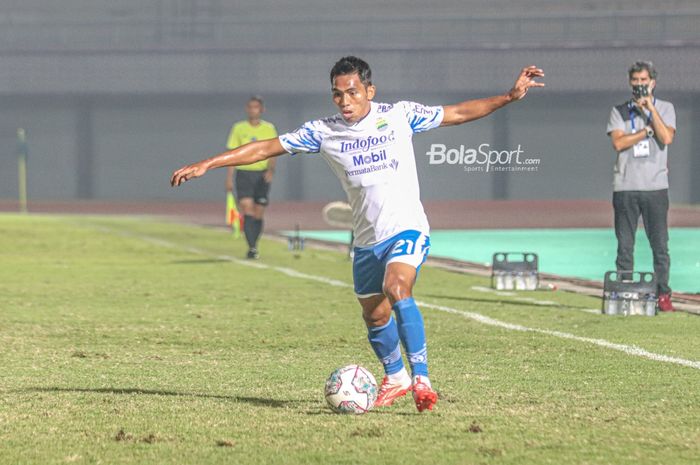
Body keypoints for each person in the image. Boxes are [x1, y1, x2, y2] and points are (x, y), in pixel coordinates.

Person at [171, 56, 544, 411]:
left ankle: (422, 381)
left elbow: (459, 113)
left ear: (370, 90)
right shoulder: (323, 132)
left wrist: (509, 97)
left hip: (407, 228)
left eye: (352, 92)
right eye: (337, 93)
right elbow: (265, 147)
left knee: (398, 288)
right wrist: (209, 163)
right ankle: (395, 377)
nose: (344, 101)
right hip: (366, 241)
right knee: (374, 315)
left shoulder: (400, 116)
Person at [606, 61, 676, 312]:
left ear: (652, 82)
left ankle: (663, 294)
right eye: (635, 80)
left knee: (659, 244)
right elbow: (618, 143)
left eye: (643, 80)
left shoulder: (665, 108)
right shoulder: (620, 111)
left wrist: (650, 111)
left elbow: (666, 137)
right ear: (630, 83)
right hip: (625, 186)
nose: (639, 85)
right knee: (625, 244)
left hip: (655, 187)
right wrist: (646, 132)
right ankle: (625, 291)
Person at [225, 96, 278, 259]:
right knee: (246, 207)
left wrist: (270, 171)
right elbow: (232, 154)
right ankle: (252, 247)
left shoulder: (269, 128)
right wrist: (229, 177)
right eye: (250, 107)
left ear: (261, 110)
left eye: (256, 107)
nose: (253, 110)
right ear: (247, 109)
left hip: (261, 175)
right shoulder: (239, 128)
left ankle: (255, 243)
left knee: (258, 212)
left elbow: (274, 150)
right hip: (243, 173)